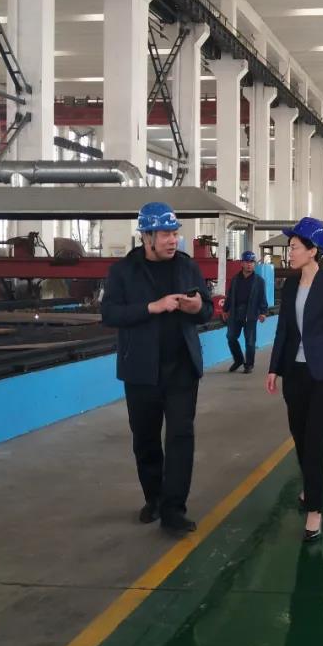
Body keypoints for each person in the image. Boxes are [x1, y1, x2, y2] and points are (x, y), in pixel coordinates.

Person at [101, 202, 213, 535]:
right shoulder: (123, 271)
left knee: (181, 437)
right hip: (141, 371)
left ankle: (174, 509)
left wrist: (197, 306)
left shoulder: (188, 267)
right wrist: (152, 307)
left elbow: (206, 310)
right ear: (147, 236)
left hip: (181, 368)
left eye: (175, 233)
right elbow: (110, 314)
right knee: (146, 439)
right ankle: (154, 498)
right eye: (165, 234)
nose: (173, 240)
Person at [267, 217, 323, 541]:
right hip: (295, 371)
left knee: (314, 438)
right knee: (299, 434)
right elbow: (283, 330)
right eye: (290, 247)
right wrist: (274, 368)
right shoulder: (290, 285)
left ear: (312, 250)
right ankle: (311, 484)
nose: (289, 252)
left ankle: (315, 510)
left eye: (294, 247)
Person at [223, 250, 269, 374]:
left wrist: (263, 312)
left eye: (252, 262)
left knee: (250, 341)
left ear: (254, 264)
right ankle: (238, 360)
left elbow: (262, 298)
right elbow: (230, 296)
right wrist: (225, 310)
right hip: (235, 312)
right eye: (247, 262)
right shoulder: (235, 279)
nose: (249, 264)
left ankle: (249, 364)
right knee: (231, 337)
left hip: (251, 313)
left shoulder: (259, 281)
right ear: (242, 263)